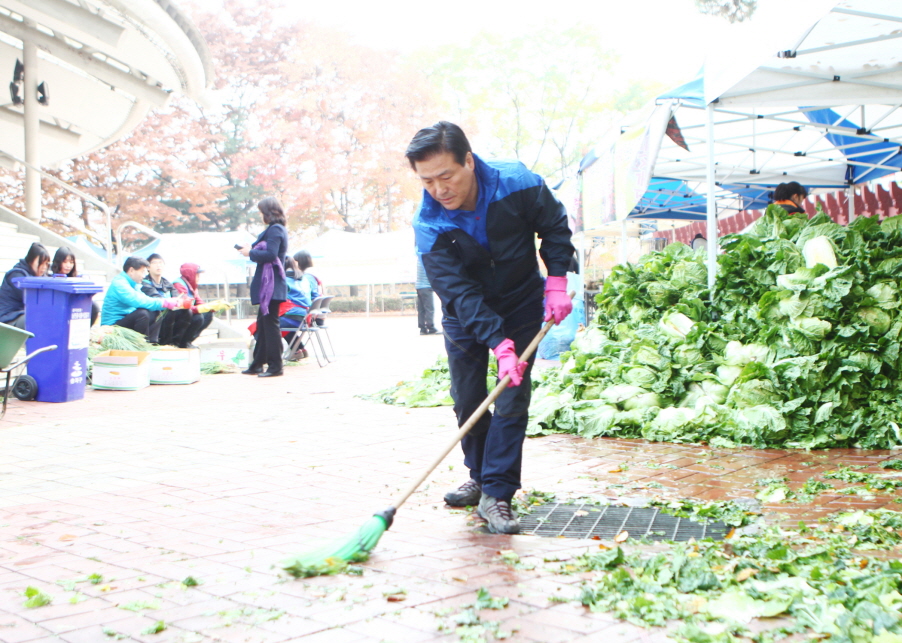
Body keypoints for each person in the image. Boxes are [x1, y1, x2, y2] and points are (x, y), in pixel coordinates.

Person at [407, 121, 575, 534]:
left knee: (511, 396)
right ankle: (480, 475)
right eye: (426, 181)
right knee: (468, 398)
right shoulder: (429, 224)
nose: (438, 190)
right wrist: (498, 345)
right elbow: (458, 294)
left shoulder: (517, 182)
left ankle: (498, 493)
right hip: (466, 312)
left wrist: (556, 282)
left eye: (446, 176)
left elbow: (554, 225)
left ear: (469, 160)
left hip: (520, 300)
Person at [237, 197, 288, 377]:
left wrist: (250, 252)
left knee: (270, 325)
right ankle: (258, 363)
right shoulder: (276, 229)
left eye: (261, 212)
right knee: (264, 325)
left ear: (267, 212)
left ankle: (275, 366)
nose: (260, 215)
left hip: (271, 284)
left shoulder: (275, 230)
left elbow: (271, 254)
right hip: (271, 284)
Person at [101, 256, 182, 336]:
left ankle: (152, 342)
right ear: (131, 270)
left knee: (155, 311)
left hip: (126, 319)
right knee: (142, 314)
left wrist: (165, 303)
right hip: (112, 326)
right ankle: (141, 345)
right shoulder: (120, 284)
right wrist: (164, 302)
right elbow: (139, 301)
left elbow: (144, 298)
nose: (143, 276)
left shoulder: (133, 284)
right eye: (142, 272)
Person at [0, 242, 50, 329]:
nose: (44, 267)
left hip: (20, 314)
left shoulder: (38, 276)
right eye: (41, 263)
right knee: (36, 318)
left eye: (46, 264)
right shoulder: (16, 275)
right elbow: (32, 299)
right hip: (8, 318)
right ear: (31, 260)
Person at [51, 247, 101, 326]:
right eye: (65, 262)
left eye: (71, 262)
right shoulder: (51, 278)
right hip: (58, 309)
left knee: (94, 307)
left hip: (75, 307)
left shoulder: (76, 277)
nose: (69, 265)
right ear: (58, 262)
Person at [172, 263, 214, 348]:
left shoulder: (191, 286)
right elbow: (183, 304)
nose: (199, 277)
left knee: (208, 314)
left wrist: (212, 307)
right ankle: (181, 342)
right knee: (198, 317)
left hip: (190, 312)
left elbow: (199, 301)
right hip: (180, 314)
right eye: (197, 274)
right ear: (190, 274)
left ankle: (188, 341)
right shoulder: (179, 284)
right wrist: (198, 309)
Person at [415, 254, 439, 335]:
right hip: (426, 287)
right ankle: (431, 327)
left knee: (421, 309)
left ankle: (422, 329)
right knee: (429, 308)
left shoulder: (419, 260)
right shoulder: (426, 260)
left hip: (419, 287)